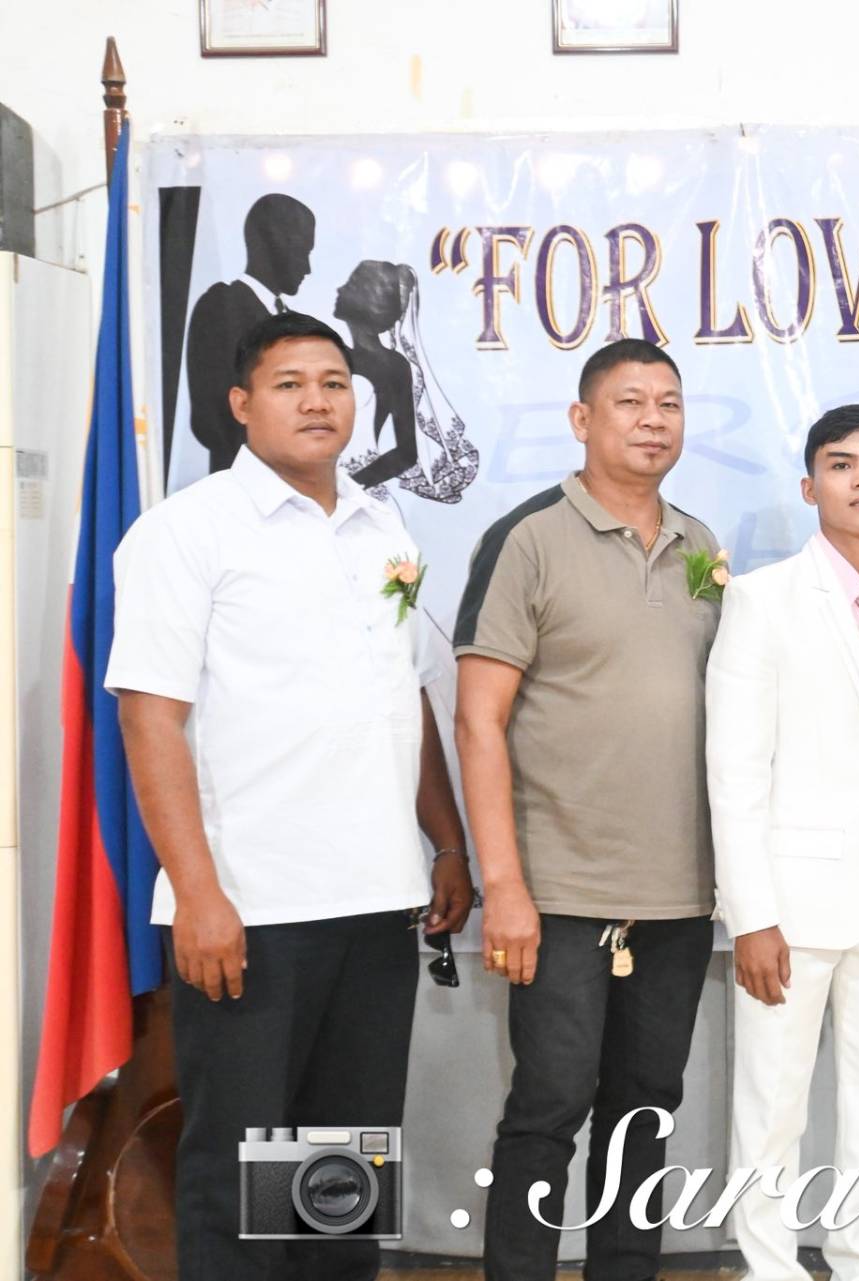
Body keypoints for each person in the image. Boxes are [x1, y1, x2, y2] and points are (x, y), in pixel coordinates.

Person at [107, 310, 474, 1281]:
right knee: (239, 1179)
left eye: (334, 382)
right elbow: (149, 720)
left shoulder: (383, 528)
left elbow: (406, 690)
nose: (317, 401)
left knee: (336, 1173)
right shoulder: (186, 532)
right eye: (289, 383)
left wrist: (444, 843)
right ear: (240, 404)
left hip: (377, 902)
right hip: (251, 911)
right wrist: (199, 893)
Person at [454, 337, 721, 1281]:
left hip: (678, 895)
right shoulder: (527, 538)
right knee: (547, 1110)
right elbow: (477, 721)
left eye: (668, 404)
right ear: (581, 419)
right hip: (558, 893)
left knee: (645, 1113)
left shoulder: (700, 547)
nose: (652, 420)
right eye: (629, 402)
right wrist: (504, 886)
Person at [706, 404, 859, 1281]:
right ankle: (768, 1267)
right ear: (810, 487)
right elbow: (734, 769)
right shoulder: (761, 598)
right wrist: (751, 914)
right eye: (841, 464)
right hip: (790, 902)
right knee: (772, 1105)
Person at [185, 193, 316, 473]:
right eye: (302, 251)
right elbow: (209, 418)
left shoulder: (289, 318)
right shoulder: (221, 306)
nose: (307, 268)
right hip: (243, 482)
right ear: (270, 243)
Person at [333, 258, 481, 504]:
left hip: (360, 500)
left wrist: (347, 487)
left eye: (350, 285)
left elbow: (406, 453)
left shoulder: (393, 366)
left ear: (367, 300)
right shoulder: (330, 355)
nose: (339, 290)